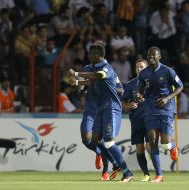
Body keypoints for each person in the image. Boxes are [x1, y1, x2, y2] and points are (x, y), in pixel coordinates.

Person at [69, 43, 133, 182]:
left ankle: (126, 172)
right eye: (89, 53)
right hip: (97, 108)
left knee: (108, 142)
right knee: (94, 140)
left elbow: (99, 77)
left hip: (111, 107)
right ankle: (110, 162)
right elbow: (89, 83)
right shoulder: (88, 68)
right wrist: (79, 86)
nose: (89, 56)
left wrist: (77, 74)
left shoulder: (107, 68)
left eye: (92, 54)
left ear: (99, 55)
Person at [137, 47, 183, 182]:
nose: (150, 57)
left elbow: (180, 86)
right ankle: (159, 175)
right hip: (150, 109)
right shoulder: (144, 73)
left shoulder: (168, 71)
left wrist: (168, 98)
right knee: (152, 142)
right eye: (149, 55)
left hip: (166, 109)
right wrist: (139, 96)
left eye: (153, 55)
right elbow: (140, 89)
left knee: (165, 144)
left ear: (159, 57)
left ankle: (172, 146)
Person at [121, 59, 151, 182]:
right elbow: (123, 102)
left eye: (142, 66)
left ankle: (158, 174)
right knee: (139, 149)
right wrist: (128, 105)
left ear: (147, 68)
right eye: (137, 67)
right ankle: (146, 174)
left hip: (150, 119)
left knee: (150, 147)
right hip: (136, 120)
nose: (139, 69)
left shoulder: (152, 82)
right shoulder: (130, 84)